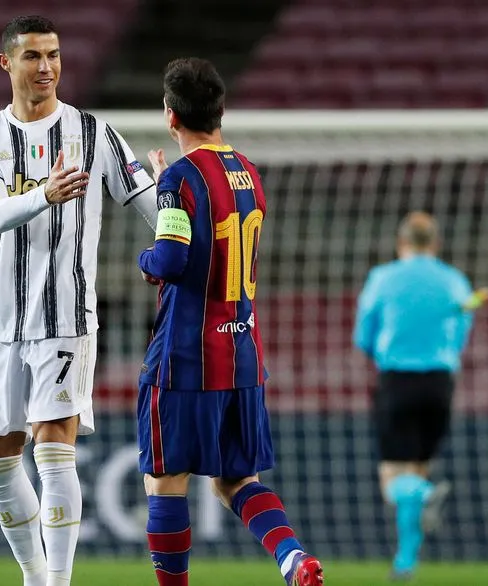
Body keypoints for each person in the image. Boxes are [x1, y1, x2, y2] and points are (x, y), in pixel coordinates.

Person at [0, 14, 158, 586]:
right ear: (7, 62)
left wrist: (178, 231)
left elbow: (149, 204)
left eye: (53, 55)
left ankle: (58, 582)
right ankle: (34, 575)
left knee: (53, 445)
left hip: (65, 316)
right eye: (32, 56)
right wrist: (45, 194)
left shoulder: (95, 134)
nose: (46, 67)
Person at [136, 57, 324, 586]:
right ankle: (293, 558)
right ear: (221, 111)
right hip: (242, 353)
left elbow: (170, 259)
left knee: (165, 481)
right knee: (237, 480)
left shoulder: (180, 178)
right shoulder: (248, 172)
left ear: (171, 116)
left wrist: (144, 259)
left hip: (185, 356)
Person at [353, 211, 488, 581]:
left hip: (397, 380)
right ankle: (405, 561)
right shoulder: (454, 281)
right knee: (416, 469)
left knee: (393, 481)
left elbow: (363, 336)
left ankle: (426, 494)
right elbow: (461, 331)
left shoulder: (383, 278)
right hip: (440, 384)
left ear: (401, 243)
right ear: (436, 244)